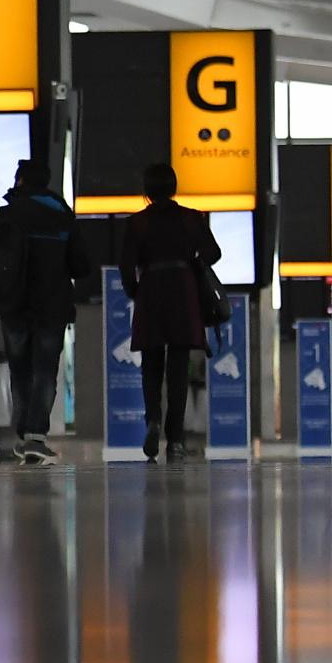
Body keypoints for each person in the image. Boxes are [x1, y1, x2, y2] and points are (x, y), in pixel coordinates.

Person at [0, 158, 78, 463]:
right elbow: (82, 265)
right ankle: (35, 436)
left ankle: (23, 432)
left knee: (20, 368)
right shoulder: (63, 218)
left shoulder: (3, 217)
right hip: (52, 307)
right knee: (45, 370)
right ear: (46, 183)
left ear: (19, 182)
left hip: (13, 304)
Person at [118, 161, 223, 464]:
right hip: (183, 292)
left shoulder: (136, 223)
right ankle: (175, 439)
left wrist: (135, 292)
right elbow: (214, 253)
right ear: (174, 187)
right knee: (178, 370)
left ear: (147, 191)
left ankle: (152, 419)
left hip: (151, 290)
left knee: (151, 365)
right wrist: (193, 261)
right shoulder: (192, 218)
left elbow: (126, 266)